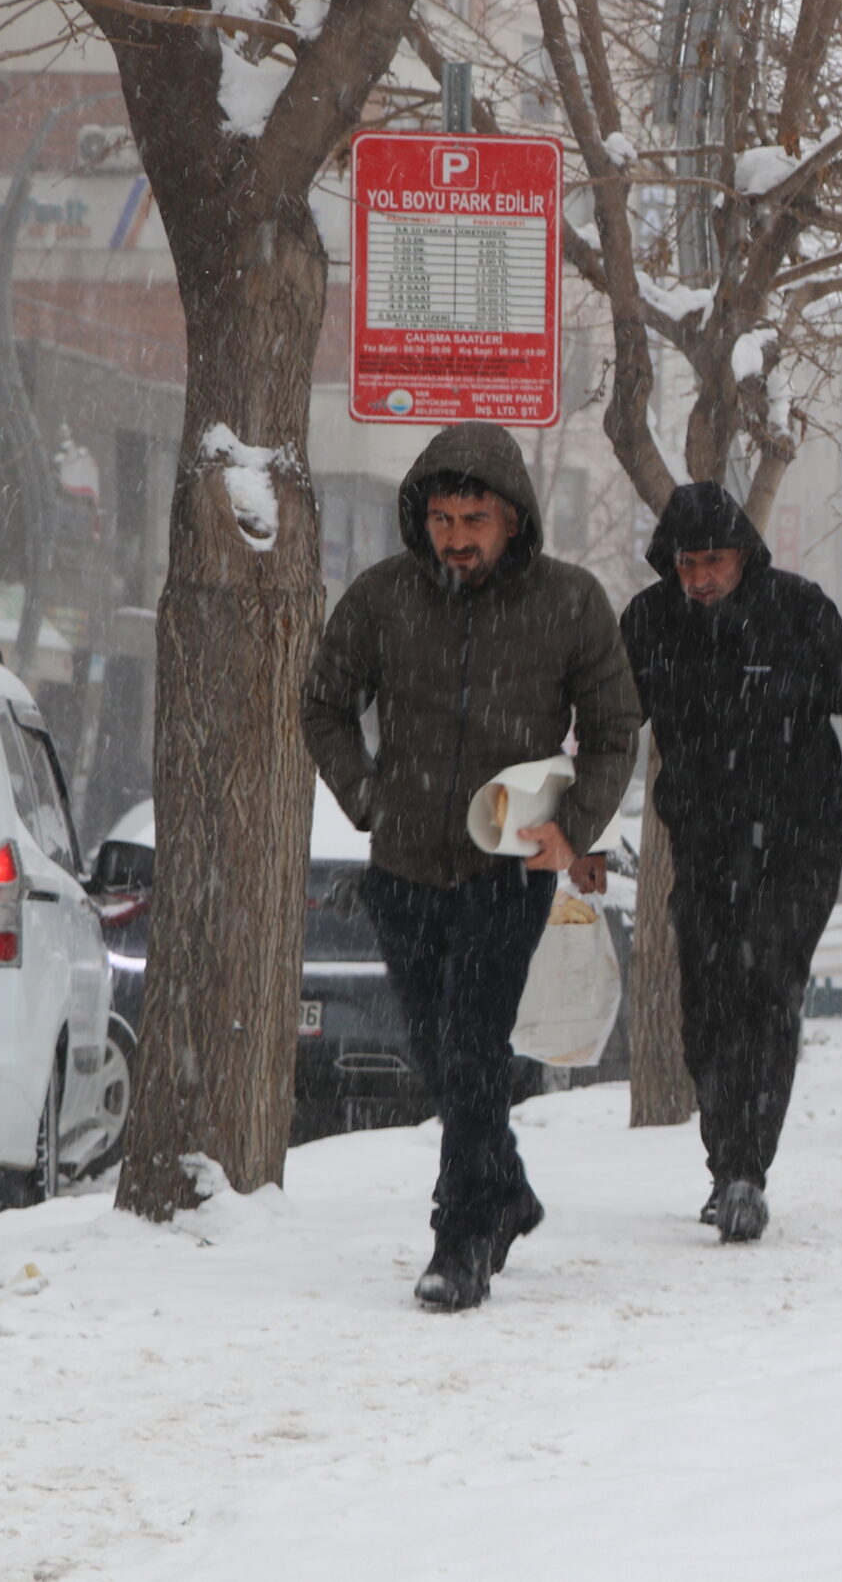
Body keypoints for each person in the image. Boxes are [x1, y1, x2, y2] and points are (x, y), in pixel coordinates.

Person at [302, 423, 642, 1311]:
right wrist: (368, 800)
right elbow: (324, 705)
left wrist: (572, 828)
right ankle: (509, 1190)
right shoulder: (383, 598)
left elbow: (615, 731)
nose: (456, 538)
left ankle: (460, 1239)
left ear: (513, 519)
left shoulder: (570, 602)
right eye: (443, 519)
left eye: (474, 520)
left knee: (473, 1045)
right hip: (403, 866)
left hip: (508, 870)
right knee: (439, 1051)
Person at [621, 483, 842, 1243]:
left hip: (801, 839)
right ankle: (724, 1159)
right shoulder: (651, 624)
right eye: (688, 564)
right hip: (704, 842)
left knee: (768, 989)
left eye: (715, 561)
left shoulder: (798, 610)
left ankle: (746, 1171)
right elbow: (604, 728)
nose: (701, 579)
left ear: (743, 556)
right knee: (706, 1006)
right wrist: (576, 829)